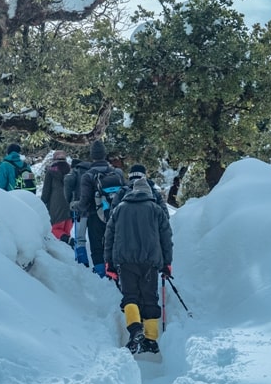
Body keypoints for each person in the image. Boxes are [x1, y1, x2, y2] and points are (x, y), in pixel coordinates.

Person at [103, 176, 173, 355]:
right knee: (150, 298)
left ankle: (135, 330)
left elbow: (109, 237)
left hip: (125, 262)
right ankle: (151, 339)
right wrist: (167, 263)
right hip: (150, 262)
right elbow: (166, 238)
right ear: (149, 193)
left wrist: (109, 262)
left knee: (130, 297)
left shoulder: (119, 209)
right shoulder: (156, 210)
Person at [77, 140, 125, 278]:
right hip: (116, 215)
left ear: (92, 156)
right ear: (105, 155)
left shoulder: (88, 175)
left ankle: (102, 273)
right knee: (115, 242)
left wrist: (76, 206)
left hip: (95, 216)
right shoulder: (117, 173)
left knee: (97, 246)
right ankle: (116, 271)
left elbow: (85, 200)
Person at [41, 151, 73, 244]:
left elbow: (46, 190)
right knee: (67, 229)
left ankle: (67, 240)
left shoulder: (51, 171)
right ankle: (69, 243)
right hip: (70, 202)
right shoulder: (71, 170)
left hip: (56, 203)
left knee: (56, 229)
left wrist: (43, 202)